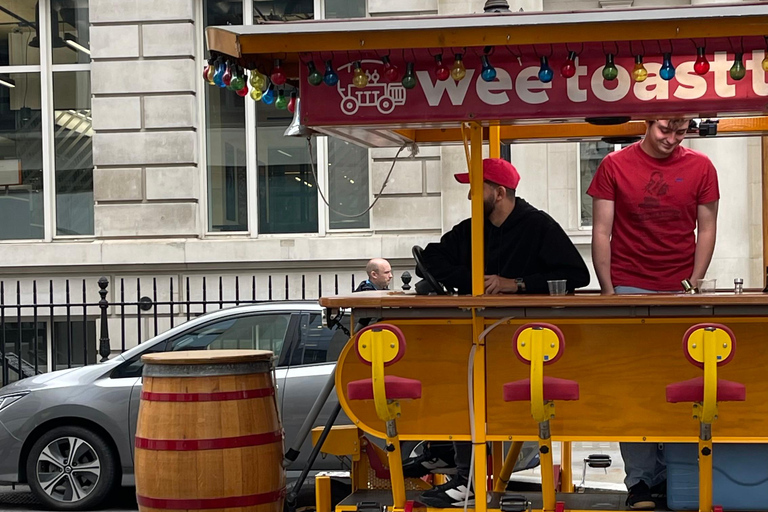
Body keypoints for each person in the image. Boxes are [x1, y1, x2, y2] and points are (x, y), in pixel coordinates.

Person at [417, 158, 590, 508]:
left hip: (525, 339)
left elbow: (576, 276)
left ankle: (468, 478)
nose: (469, 195)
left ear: (498, 193)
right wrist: (474, 282)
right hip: (479, 334)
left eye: (476, 187)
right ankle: (460, 472)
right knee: (462, 390)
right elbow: (430, 258)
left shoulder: (538, 225)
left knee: (479, 397)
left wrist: (518, 285)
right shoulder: (471, 229)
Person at [587, 118, 719, 510]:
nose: (671, 139)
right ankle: (640, 482)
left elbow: (707, 228)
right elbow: (601, 229)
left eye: (680, 132)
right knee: (635, 385)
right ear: (647, 123)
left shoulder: (701, 167)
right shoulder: (614, 165)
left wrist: (695, 282)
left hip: (681, 288)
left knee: (682, 385)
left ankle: (675, 474)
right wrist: (609, 289)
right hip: (629, 284)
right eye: (665, 129)